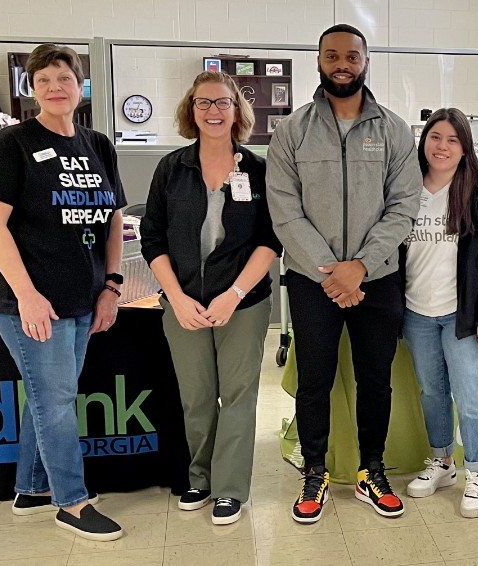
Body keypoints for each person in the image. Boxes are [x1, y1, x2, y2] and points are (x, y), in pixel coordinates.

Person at [267, 23, 420, 524]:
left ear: (365, 62)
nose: (342, 63)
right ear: (318, 61)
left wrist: (361, 268)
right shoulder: (292, 130)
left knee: (376, 379)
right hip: (313, 282)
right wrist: (332, 272)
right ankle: (315, 471)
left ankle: (372, 470)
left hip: (377, 280)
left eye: (351, 56)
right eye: (332, 55)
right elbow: (284, 211)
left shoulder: (395, 130)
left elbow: (403, 207)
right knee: (315, 380)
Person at [0, 43, 125, 542]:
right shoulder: (12, 143)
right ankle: (72, 502)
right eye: (44, 81)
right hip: (31, 300)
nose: (56, 87)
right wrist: (27, 296)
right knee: (56, 400)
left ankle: (32, 488)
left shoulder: (97, 143)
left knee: (46, 395)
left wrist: (112, 287)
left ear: (80, 86)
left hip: (83, 295)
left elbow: (113, 220)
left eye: (64, 78)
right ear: (31, 90)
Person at [140, 71, 281, 526]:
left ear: (237, 110)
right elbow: (152, 238)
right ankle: (199, 477)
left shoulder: (257, 170)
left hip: (245, 300)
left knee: (238, 394)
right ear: (191, 110)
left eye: (222, 103)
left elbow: (270, 240)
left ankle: (230, 488)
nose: (213, 111)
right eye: (203, 103)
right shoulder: (172, 168)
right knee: (197, 395)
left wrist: (234, 295)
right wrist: (177, 298)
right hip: (183, 300)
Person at [401, 108, 478, 519]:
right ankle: (442, 462)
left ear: (465, 147)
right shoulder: (405, 188)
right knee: (431, 393)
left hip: (462, 317)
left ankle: (477, 471)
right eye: (434, 137)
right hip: (417, 312)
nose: (442, 147)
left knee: (471, 398)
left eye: (452, 140)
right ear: (423, 141)